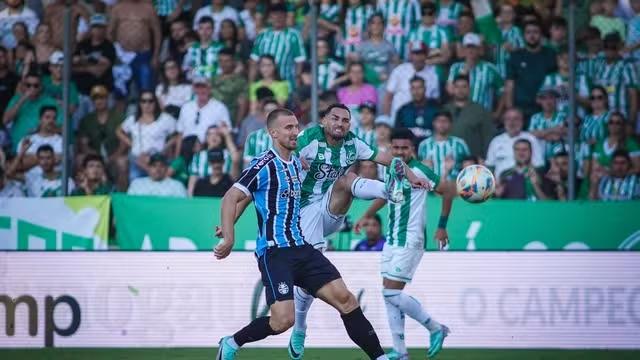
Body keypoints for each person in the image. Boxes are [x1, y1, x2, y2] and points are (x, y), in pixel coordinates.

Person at [214, 108, 391, 360]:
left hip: (302, 247)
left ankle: (380, 357)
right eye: (288, 128)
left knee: (347, 300)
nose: (295, 131)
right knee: (281, 321)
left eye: (296, 126)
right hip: (275, 253)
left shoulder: (297, 162)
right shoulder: (264, 164)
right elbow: (234, 197)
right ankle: (231, 342)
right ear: (273, 133)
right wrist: (229, 234)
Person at [288, 104, 430, 358]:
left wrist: (410, 176)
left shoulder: (353, 144)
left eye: (345, 120)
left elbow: (387, 158)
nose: (340, 123)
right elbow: (285, 152)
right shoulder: (309, 138)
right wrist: (295, 158)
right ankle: (300, 328)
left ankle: (389, 191)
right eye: (335, 118)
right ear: (324, 121)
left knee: (347, 179)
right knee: (309, 280)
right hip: (303, 211)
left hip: (331, 209)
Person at [355, 127, 452, 360]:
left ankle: (436, 328)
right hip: (393, 239)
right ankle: (400, 352)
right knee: (388, 294)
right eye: (395, 147)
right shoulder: (391, 169)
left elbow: (448, 192)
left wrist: (441, 226)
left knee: (390, 292)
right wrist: (367, 215)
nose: (399, 152)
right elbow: (386, 194)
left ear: (413, 149)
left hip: (411, 239)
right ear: (390, 148)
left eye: (404, 148)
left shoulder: (422, 171)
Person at [504, 20, 557, 122]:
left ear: (541, 35)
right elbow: (509, 85)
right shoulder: (515, 56)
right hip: (520, 108)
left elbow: (557, 82)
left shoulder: (550, 55)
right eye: (528, 32)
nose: (532, 35)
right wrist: (510, 110)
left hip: (545, 108)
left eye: (535, 32)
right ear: (523, 35)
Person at [116, 91, 176, 181]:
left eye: (150, 101)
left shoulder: (165, 118)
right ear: (139, 103)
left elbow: (178, 135)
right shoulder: (133, 119)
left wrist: (166, 147)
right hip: (137, 159)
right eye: (143, 101)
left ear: (155, 103)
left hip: (158, 159)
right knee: (134, 179)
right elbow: (118, 131)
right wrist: (132, 144)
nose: (147, 104)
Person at [76, 85, 126, 190]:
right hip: (94, 157)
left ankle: (121, 195)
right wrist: (96, 157)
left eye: (102, 97)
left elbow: (124, 143)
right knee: (79, 159)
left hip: (114, 156)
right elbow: (83, 144)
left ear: (107, 99)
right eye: (95, 98)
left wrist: (112, 157)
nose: (99, 101)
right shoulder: (87, 120)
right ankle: (81, 192)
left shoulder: (118, 117)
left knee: (122, 162)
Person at [108, 0, 162, 95]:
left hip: (143, 54)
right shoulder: (117, 8)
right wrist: (115, 52)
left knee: (146, 90)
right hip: (122, 56)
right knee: (120, 91)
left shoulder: (148, 8)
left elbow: (157, 32)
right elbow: (110, 32)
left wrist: (156, 55)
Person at [249, 4, 306, 89]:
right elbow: (254, 61)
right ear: (270, 18)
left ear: (286, 17)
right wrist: (251, 84)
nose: (277, 19)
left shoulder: (293, 35)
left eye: (280, 16)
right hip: (264, 86)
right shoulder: (262, 35)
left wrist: (297, 85)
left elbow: (300, 61)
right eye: (274, 16)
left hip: (287, 85)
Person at [3, 72, 60, 152]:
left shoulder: (50, 102)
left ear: (41, 87)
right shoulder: (16, 99)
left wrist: (38, 130)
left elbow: (60, 127)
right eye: (28, 85)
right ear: (23, 86)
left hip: (43, 150)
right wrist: (22, 99)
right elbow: (5, 120)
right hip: (18, 148)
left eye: (35, 85)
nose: (32, 88)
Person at [447, 33, 503, 113]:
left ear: (479, 50)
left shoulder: (490, 68)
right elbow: (450, 91)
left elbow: (502, 91)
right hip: (460, 114)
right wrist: (464, 73)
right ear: (463, 50)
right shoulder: (455, 67)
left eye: (474, 48)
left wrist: (497, 113)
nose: (470, 51)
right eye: (468, 47)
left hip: (483, 115)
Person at [383, 43, 440, 120]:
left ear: (426, 55)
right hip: (399, 118)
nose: (418, 58)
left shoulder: (433, 74)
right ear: (410, 56)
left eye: (421, 54)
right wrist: (387, 119)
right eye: (415, 54)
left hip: (423, 119)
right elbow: (388, 97)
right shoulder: (399, 70)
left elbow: (435, 101)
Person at [175, 75, 230, 154]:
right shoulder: (186, 107)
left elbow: (226, 132)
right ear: (194, 89)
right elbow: (180, 134)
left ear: (209, 88)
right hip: (187, 150)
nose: (201, 90)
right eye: (198, 87)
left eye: (204, 87)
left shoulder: (219, 107)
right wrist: (177, 156)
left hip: (209, 150)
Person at [591, 32, 638, 123]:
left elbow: (633, 95)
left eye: (613, 48)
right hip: (600, 119)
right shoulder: (599, 65)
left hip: (620, 118)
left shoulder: (627, 66)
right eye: (606, 47)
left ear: (619, 48)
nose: (609, 50)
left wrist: (631, 122)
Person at [445, 75, 495, 157]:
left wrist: (484, 157)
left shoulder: (480, 110)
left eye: (464, 87)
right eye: (457, 87)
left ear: (469, 89)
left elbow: (488, 137)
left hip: (472, 159)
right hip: (448, 158)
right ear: (453, 89)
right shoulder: (445, 109)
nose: (460, 90)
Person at [486, 108, 544, 178]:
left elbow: (539, 166)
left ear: (522, 121)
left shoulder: (531, 139)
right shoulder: (495, 141)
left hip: (524, 182)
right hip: (500, 184)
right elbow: (490, 167)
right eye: (508, 119)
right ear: (504, 122)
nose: (512, 122)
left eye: (516, 119)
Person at [187, 125, 240, 196]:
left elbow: (235, 160)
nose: (213, 137)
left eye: (217, 134)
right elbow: (192, 181)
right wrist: (190, 199)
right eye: (210, 134)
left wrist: (227, 136)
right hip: (203, 193)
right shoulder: (198, 157)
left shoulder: (227, 155)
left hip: (223, 191)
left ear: (221, 137)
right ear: (206, 137)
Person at [73, 14, 116, 98]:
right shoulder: (82, 44)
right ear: (91, 28)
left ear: (105, 29)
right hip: (81, 91)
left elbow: (99, 72)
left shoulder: (109, 47)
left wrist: (83, 61)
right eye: (95, 27)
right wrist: (91, 66)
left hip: (102, 93)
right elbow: (71, 67)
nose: (97, 30)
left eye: (100, 27)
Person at [418, 111, 470, 181]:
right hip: (430, 187)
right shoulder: (424, 145)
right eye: (439, 121)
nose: (442, 124)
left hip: (454, 187)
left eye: (445, 121)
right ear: (433, 123)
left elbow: (469, 166)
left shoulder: (460, 144)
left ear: (451, 124)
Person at [408, 2, 451, 80]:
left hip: (437, 73)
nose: (427, 16)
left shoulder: (442, 32)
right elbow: (410, 56)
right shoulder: (414, 32)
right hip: (418, 72)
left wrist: (426, 60)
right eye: (424, 13)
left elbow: (446, 57)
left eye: (430, 13)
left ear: (435, 15)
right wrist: (437, 51)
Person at [14, 105, 63, 172]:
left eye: (54, 118)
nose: (51, 121)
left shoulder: (62, 141)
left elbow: (58, 160)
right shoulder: (27, 140)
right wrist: (49, 158)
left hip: (53, 181)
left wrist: (30, 158)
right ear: (40, 119)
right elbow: (18, 165)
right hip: (28, 181)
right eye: (47, 117)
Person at [211, 47, 248, 126]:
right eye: (221, 61)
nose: (223, 64)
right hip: (211, 119)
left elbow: (242, 104)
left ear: (233, 61)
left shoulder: (240, 81)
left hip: (229, 120)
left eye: (227, 61)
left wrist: (237, 125)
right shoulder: (213, 79)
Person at [528, 87, 567, 161]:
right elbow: (531, 134)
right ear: (540, 101)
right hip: (539, 154)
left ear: (556, 100)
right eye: (544, 98)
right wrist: (553, 130)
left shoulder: (563, 115)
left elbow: (566, 132)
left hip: (559, 155)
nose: (548, 101)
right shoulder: (535, 117)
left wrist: (542, 134)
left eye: (551, 98)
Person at [182, 16, 223, 81]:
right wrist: (193, 74)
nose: (204, 31)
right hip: (196, 84)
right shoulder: (192, 49)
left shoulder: (220, 48)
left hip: (215, 83)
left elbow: (222, 68)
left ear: (213, 30)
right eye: (201, 28)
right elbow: (186, 68)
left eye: (208, 28)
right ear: (198, 30)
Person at [43, 51, 80, 116]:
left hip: (62, 122)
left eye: (62, 66)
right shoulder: (43, 80)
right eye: (56, 66)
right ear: (50, 67)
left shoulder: (70, 85)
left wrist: (55, 102)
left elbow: (71, 110)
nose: (59, 69)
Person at [243, 99, 278, 166]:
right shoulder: (253, 137)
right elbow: (247, 165)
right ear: (263, 114)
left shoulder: (286, 137)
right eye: (268, 111)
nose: (271, 114)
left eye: (275, 111)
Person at [494, 3, 525, 78]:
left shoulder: (517, 31)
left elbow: (524, 50)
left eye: (509, 12)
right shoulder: (494, 31)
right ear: (500, 15)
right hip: (497, 71)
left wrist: (513, 49)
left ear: (514, 15)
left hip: (512, 72)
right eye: (504, 12)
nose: (507, 14)